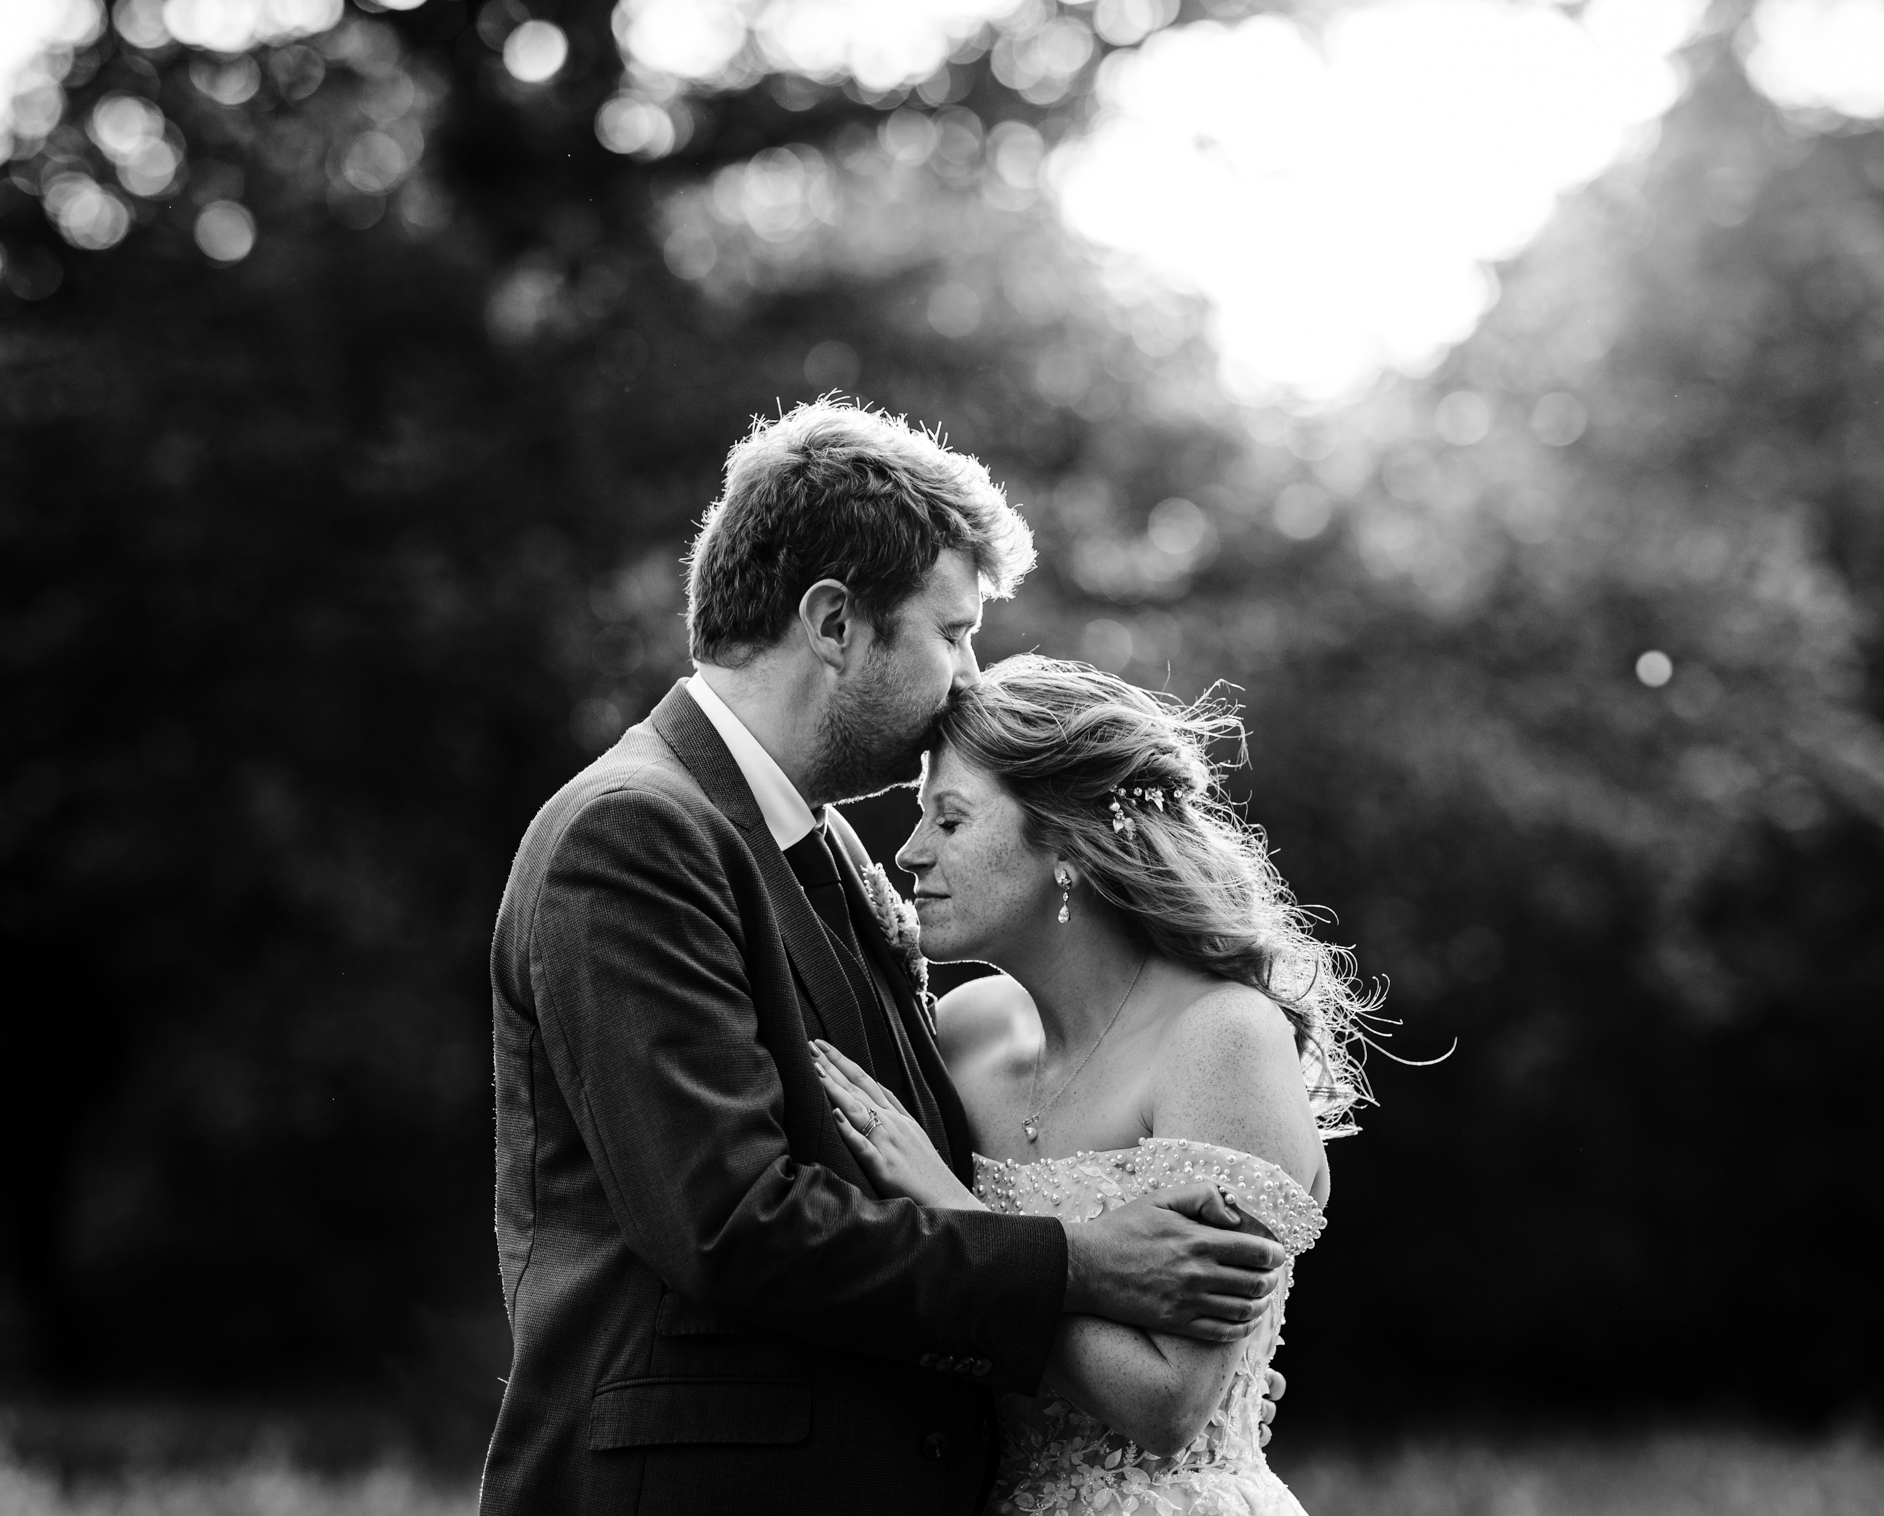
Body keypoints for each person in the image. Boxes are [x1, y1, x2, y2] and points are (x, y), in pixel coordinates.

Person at [480, 401, 1289, 1516]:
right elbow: (731, 1223)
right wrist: (1078, 1260)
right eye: (953, 632)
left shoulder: (827, 846)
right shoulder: (632, 831)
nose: (969, 677)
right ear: (833, 622)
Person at [813, 654, 1375, 1516]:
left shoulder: (1220, 1036)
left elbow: (1168, 1403)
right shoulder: (964, 1029)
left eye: (950, 819)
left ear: (1068, 842)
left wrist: (952, 1210)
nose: (910, 850)